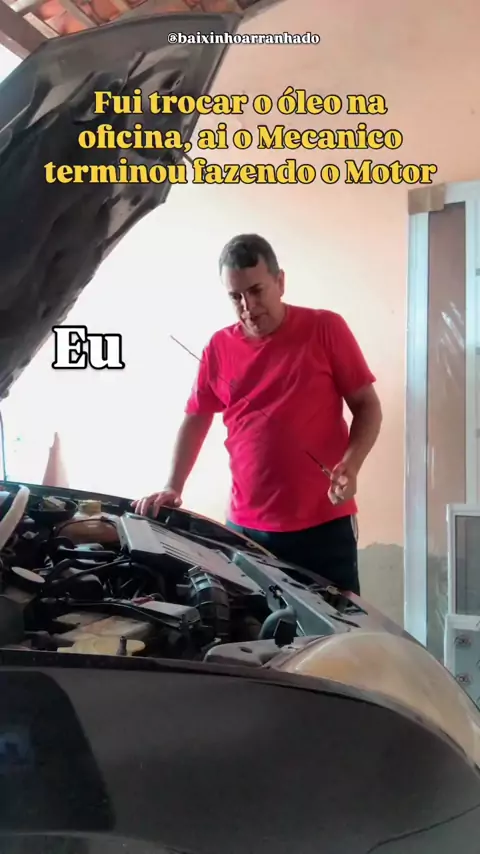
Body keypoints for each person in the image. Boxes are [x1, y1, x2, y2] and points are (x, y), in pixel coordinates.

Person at [133, 234, 382, 594]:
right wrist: (174, 485)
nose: (247, 307)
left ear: (280, 282)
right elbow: (197, 417)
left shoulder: (326, 328)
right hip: (245, 530)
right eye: (235, 296)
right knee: (251, 625)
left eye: (256, 291)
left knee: (336, 626)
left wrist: (352, 464)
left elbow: (367, 405)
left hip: (323, 527)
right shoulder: (218, 346)